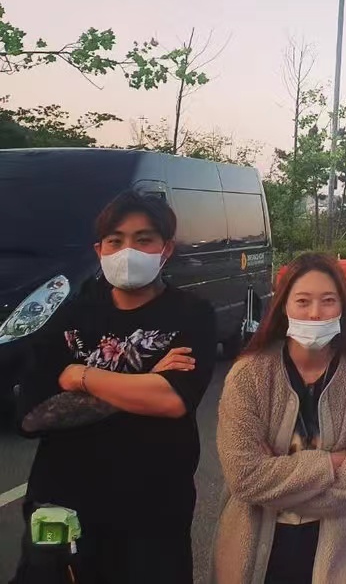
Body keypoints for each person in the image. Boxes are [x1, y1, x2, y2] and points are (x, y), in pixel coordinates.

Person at [15, 191, 216, 584]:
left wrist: (81, 376)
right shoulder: (70, 315)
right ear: (100, 250)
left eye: (144, 240)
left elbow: (172, 400)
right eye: (115, 240)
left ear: (166, 249)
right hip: (63, 509)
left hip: (153, 514)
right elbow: (32, 415)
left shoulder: (192, 315)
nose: (128, 251)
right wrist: (143, 382)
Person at [213, 252, 346, 584]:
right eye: (303, 301)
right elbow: (244, 476)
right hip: (258, 553)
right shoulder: (249, 375)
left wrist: (276, 480)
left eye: (328, 301)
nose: (315, 313)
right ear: (283, 307)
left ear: (344, 307)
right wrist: (330, 463)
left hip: (344, 555)